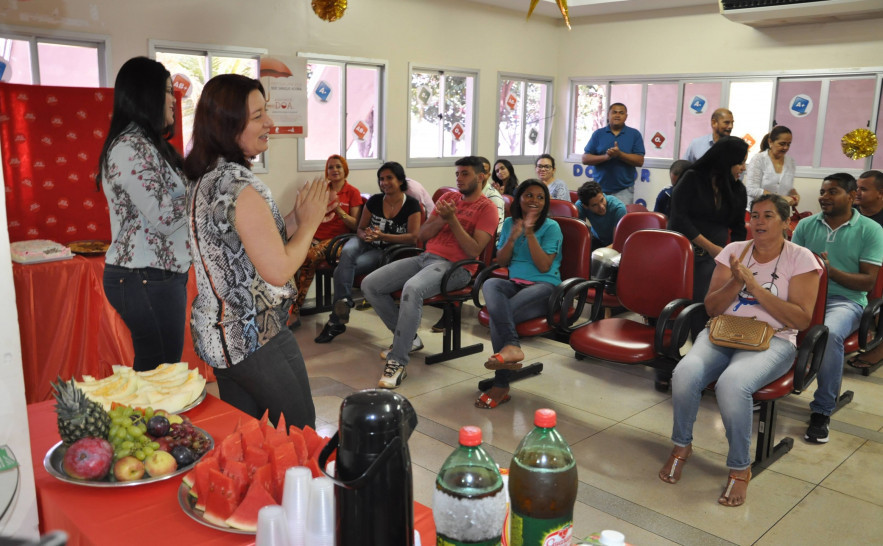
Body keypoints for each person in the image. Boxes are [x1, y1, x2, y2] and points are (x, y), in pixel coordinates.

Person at [185, 74, 331, 428]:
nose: (270, 123)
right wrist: (310, 225)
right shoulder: (238, 185)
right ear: (227, 125)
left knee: (248, 438)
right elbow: (278, 270)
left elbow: (249, 242)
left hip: (223, 337)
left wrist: (296, 218)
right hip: (254, 334)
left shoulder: (208, 177)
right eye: (258, 116)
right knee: (300, 433)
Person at [659, 194, 822, 507]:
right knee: (684, 373)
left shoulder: (801, 258)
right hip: (723, 332)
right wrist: (736, 282)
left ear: (787, 222)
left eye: (768, 216)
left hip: (774, 338)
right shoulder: (734, 252)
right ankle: (681, 447)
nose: (758, 222)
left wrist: (755, 288)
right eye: (755, 215)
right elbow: (710, 307)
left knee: (732, 384)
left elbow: (801, 319)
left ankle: (739, 468)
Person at [361, 156, 498, 389]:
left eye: (465, 173)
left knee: (412, 289)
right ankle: (408, 339)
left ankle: (398, 361)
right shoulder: (448, 198)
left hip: (457, 267)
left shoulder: (488, 209)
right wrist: (441, 219)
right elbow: (422, 236)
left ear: (480, 177)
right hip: (426, 258)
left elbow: (474, 249)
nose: (459, 178)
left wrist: (452, 220)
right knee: (370, 284)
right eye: (457, 174)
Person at [97, 57, 191, 372]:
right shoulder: (128, 148)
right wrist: (203, 189)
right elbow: (165, 214)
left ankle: (154, 422)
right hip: (144, 275)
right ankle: (147, 422)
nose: (173, 99)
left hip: (158, 274)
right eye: (166, 91)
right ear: (145, 94)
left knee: (161, 371)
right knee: (160, 373)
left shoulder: (150, 146)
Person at [792, 173, 883, 442]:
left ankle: (822, 410)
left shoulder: (871, 230)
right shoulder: (806, 225)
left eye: (832, 192)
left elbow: (868, 282)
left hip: (846, 301)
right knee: (772, 318)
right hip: (805, 297)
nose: (824, 196)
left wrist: (829, 272)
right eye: (822, 191)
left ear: (851, 196)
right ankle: (762, 387)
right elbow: (790, 267)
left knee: (828, 333)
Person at [314, 161, 422, 344]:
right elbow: (360, 228)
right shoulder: (374, 200)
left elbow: (413, 237)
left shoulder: (412, 205)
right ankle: (345, 301)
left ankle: (337, 319)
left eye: (389, 178)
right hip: (365, 242)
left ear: (401, 180)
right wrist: (367, 234)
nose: (384, 183)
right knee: (347, 252)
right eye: (381, 179)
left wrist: (383, 236)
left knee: (343, 268)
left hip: (386, 249)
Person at [476, 179, 562, 409]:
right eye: (529, 195)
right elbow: (502, 261)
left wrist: (531, 233)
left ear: (546, 203)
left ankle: (501, 385)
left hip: (545, 288)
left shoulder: (552, 227)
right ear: (519, 199)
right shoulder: (510, 224)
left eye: (540, 197)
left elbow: (544, 266)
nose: (534, 200)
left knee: (499, 315)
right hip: (516, 283)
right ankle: (512, 348)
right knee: (492, 283)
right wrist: (513, 236)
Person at [668, 136, 749, 302]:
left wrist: (732, 258)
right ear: (727, 161)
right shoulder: (692, 178)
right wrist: (711, 247)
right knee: (674, 308)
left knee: (703, 306)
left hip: (715, 259)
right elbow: (678, 219)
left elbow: (739, 229)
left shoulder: (738, 189)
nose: (743, 168)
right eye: (740, 163)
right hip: (682, 253)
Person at [288, 154, 363, 327]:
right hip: (315, 236)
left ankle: (295, 312)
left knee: (309, 257)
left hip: (338, 240)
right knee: (289, 254)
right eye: (330, 167)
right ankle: (287, 307)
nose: (334, 170)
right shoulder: (322, 190)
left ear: (345, 170)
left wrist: (338, 209)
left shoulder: (352, 192)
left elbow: (356, 224)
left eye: (338, 166)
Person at [846, 170, 883, 369]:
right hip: (849, 265)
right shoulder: (849, 211)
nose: (857, 193)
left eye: (864, 189)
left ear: (880, 193)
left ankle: (880, 346)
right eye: (856, 188)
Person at [581, 103, 645, 204]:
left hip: (624, 190)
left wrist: (620, 155)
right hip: (598, 190)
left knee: (621, 220)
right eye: (614, 112)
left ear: (626, 116)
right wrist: (606, 157)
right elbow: (585, 159)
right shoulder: (598, 134)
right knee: (600, 219)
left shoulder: (634, 134)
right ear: (608, 115)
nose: (617, 115)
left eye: (621, 113)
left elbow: (640, 161)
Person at [744, 126, 799, 207]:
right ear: (770, 142)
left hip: (780, 212)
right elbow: (751, 190)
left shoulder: (790, 162)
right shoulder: (758, 159)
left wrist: (795, 195)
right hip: (758, 211)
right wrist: (780, 198)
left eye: (788, 144)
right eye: (782, 144)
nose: (786, 148)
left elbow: (787, 187)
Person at [575, 181, 627, 249]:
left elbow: (617, 244)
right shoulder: (580, 206)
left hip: (615, 244)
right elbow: (579, 235)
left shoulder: (619, 209)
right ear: (586, 206)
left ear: (603, 194)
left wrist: (598, 254)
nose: (601, 207)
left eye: (602, 200)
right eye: (595, 205)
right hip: (596, 239)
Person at [479, 156, 506, 237]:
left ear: (488, 175)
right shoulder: (468, 194)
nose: (480, 175)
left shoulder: (493, 197)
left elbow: (494, 231)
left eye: (484, 172)